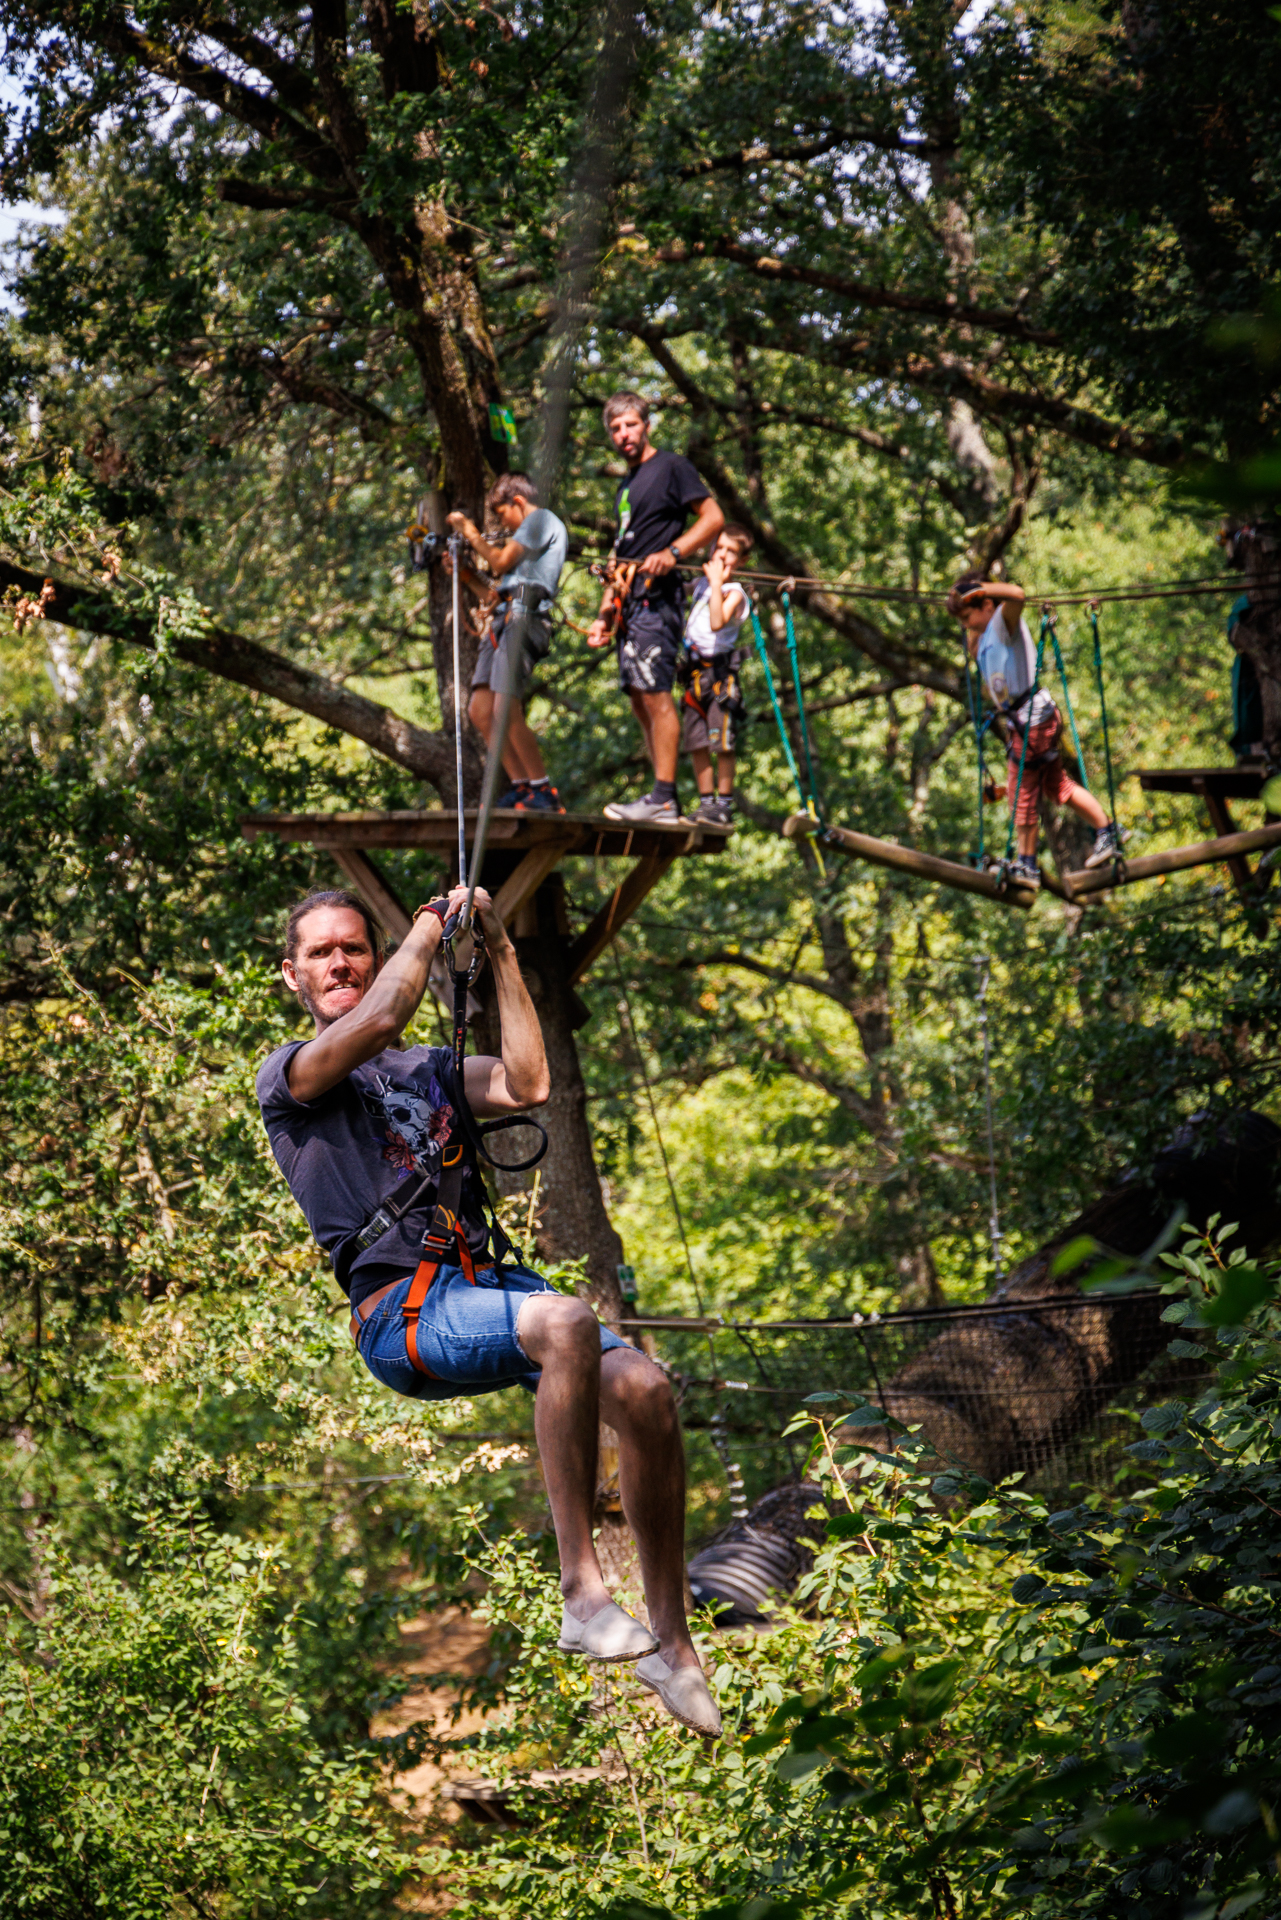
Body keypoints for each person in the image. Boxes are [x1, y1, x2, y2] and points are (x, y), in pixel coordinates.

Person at [255, 886, 720, 1737]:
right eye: (321, 952)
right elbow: (387, 1011)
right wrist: (434, 921)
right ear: (293, 974)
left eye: (354, 947)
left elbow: (529, 1081)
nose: (340, 964)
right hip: (401, 1313)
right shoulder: (291, 1077)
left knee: (649, 1394)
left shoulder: (424, 1066)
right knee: (567, 1321)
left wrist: (502, 952)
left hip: (482, 1287)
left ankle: (674, 1646)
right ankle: (581, 1592)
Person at [585, 392, 725, 823]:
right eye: (615, 428)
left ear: (646, 425)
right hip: (629, 605)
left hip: (658, 599)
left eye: (630, 424)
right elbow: (620, 554)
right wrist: (605, 611)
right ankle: (659, 793)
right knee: (637, 699)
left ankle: (664, 797)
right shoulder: (626, 485)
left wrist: (675, 551)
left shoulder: (672, 467)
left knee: (655, 693)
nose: (623, 434)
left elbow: (713, 517)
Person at [950, 573, 1121, 885]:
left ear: (987, 604)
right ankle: (1107, 830)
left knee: (1021, 793)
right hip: (1032, 718)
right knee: (1058, 787)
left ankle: (1026, 863)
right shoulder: (986, 632)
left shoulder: (1003, 620)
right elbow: (984, 664)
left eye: (967, 617)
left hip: (1033, 720)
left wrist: (979, 589)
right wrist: (966, 614)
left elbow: (1016, 594)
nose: (965, 625)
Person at [447, 473, 568, 813]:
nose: (503, 523)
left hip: (526, 618)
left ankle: (544, 791)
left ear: (517, 502)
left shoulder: (540, 520)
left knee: (504, 708)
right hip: (504, 618)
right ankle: (523, 786)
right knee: (481, 711)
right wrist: (464, 574)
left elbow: (499, 561)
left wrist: (468, 531)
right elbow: (493, 593)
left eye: (501, 514)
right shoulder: (525, 554)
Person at [679, 525, 753, 826]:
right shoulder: (701, 586)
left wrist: (715, 582)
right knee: (696, 741)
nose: (721, 554)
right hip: (693, 675)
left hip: (719, 677)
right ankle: (705, 802)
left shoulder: (735, 592)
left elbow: (717, 622)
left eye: (730, 551)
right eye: (718, 547)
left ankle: (723, 804)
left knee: (720, 742)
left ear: (742, 560)